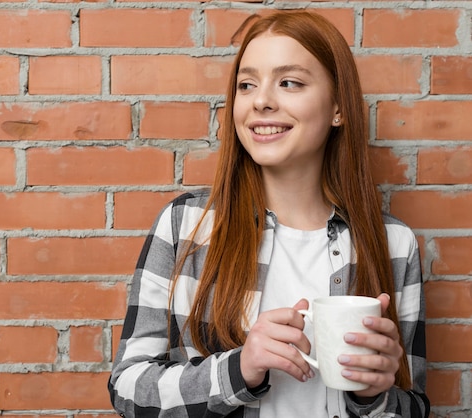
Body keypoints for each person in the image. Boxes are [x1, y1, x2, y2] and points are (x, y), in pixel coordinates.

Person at [108, 10, 429, 418]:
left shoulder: (393, 244)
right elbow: (129, 389)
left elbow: (414, 407)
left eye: (289, 82)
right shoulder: (185, 225)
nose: (261, 100)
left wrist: (373, 396)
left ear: (337, 109)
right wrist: (239, 369)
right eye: (247, 84)